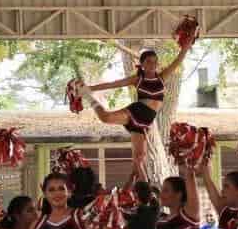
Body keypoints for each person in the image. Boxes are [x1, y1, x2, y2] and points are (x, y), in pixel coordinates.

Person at [83, 32, 194, 177]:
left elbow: (177, 61)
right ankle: (87, 96)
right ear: (142, 64)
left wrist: (185, 47)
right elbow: (113, 84)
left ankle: (136, 189)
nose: (152, 64)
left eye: (155, 61)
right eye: (148, 61)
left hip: (146, 122)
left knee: (139, 158)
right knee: (105, 118)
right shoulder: (137, 79)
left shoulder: (162, 77)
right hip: (137, 111)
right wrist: (89, 89)